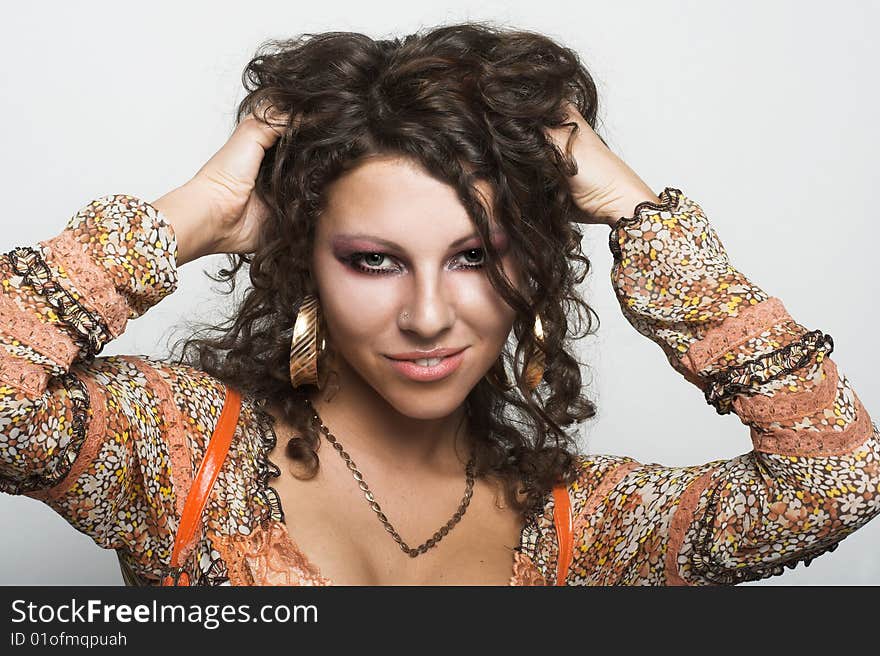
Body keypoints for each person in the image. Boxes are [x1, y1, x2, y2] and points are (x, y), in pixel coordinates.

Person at [1, 23, 877, 587]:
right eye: (374, 260)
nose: (428, 314)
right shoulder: (182, 450)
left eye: (476, 257)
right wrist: (194, 212)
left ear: (532, 268)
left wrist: (640, 219)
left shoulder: (590, 524)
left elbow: (839, 478)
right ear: (305, 265)